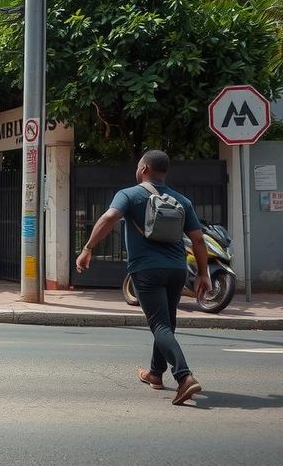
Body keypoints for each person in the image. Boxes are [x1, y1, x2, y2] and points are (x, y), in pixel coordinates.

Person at [75, 150, 209, 406]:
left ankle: (184, 376)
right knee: (166, 322)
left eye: (138, 166)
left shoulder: (129, 194)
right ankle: (155, 374)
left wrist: (88, 248)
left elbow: (109, 217)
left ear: (144, 168)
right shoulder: (182, 200)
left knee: (159, 325)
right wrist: (203, 274)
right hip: (177, 270)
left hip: (147, 270)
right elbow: (199, 239)